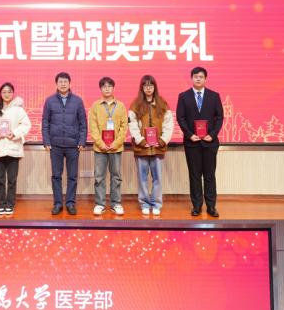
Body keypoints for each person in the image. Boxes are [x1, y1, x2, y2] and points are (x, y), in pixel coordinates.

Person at [175, 66, 224, 217]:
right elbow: (180, 118)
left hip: (209, 142)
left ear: (205, 79)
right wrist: (189, 134)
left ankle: (211, 206)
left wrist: (212, 135)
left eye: (201, 76)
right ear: (192, 78)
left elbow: (219, 117)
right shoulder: (184, 96)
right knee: (195, 175)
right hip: (192, 143)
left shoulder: (214, 96)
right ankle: (196, 206)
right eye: (195, 76)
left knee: (209, 175)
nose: (198, 79)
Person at [0, 81, 32, 215]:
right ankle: (1, 204)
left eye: (9, 91)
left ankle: (10, 204)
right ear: (0, 93)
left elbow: (26, 125)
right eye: (4, 92)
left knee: (12, 180)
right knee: (0, 179)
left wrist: (14, 133)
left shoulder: (18, 110)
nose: (7, 94)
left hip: (13, 148)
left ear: (13, 93)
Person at [127, 75, 175, 216]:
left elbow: (169, 124)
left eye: (151, 85)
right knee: (142, 178)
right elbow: (132, 125)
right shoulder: (135, 104)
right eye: (145, 85)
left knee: (157, 178)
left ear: (155, 87)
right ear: (142, 87)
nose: (148, 88)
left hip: (157, 148)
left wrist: (162, 140)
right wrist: (141, 141)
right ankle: (144, 203)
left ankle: (156, 203)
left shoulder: (162, 104)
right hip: (141, 148)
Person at [41, 72, 87, 216]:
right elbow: (45, 122)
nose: (63, 84)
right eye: (60, 81)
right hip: (55, 145)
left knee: (72, 176)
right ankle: (58, 203)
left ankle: (70, 203)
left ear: (69, 83)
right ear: (56, 84)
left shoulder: (78, 101)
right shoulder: (49, 101)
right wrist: (46, 141)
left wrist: (82, 141)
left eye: (65, 81)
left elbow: (83, 123)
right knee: (56, 175)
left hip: (73, 145)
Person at [85, 77, 127, 216]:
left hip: (116, 148)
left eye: (109, 86)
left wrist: (116, 143)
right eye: (104, 86)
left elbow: (124, 127)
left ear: (113, 88)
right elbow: (93, 127)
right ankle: (100, 204)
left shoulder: (120, 106)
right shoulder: (95, 106)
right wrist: (101, 143)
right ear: (101, 89)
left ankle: (116, 204)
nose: (107, 88)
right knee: (99, 177)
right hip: (100, 148)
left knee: (116, 176)